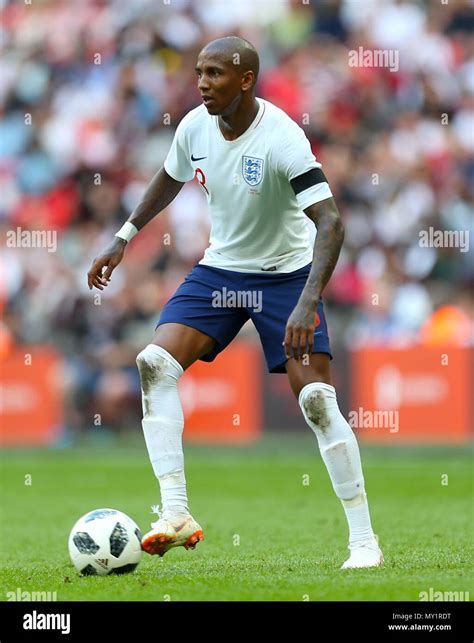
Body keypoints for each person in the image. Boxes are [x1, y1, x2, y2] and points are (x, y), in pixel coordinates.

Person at [87, 36, 383, 569]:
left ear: (246, 79)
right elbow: (169, 177)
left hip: (288, 277)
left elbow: (332, 223)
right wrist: (124, 235)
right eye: (200, 72)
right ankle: (176, 511)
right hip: (222, 270)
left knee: (317, 400)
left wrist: (306, 301)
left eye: (216, 73)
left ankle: (364, 542)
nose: (203, 82)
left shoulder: (282, 137)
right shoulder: (194, 126)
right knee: (154, 362)